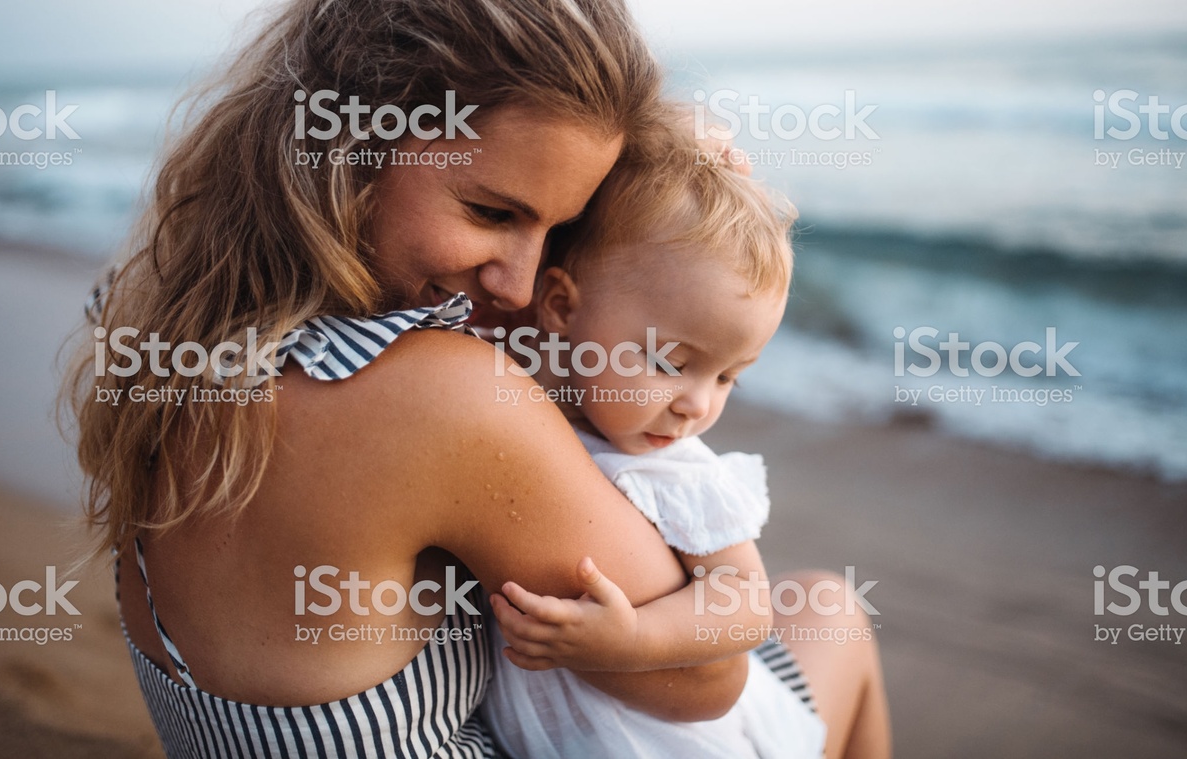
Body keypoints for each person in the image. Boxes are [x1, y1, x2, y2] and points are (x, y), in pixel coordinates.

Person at [64, 0, 889, 756]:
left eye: (558, 230)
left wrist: (642, 200)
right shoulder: (437, 397)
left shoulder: (163, 324)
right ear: (356, 144)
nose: (524, 288)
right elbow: (708, 684)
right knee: (835, 614)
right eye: (494, 213)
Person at [479, 124, 829, 758]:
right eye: (670, 360)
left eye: (728, 377)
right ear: (559, 306)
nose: (698, 404)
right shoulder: (521, 395)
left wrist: (634, 638)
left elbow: (746, 603)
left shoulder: (679, 474)